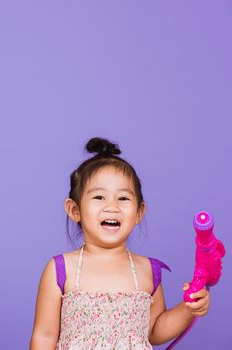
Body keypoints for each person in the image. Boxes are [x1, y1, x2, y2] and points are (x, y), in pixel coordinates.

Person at [30, 137, 210, 349]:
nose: (112, 207)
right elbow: (44, 337)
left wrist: (187, 309)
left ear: (139, 212)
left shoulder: (147, 271)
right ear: (74, 210)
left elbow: (154, 331)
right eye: (99, 197)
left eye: (123, 198)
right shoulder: (61, 269)